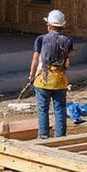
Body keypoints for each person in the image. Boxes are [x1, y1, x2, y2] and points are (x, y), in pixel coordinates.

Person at [29, 9, 74, 139]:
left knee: (43, 110)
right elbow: (67, 62)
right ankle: (60, 137)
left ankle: (43, 137)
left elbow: (36, 59)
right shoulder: (68, 41)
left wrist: (32, 74)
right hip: (60, 80)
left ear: (49, 25)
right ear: (62, 26)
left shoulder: (41, 39)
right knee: (60, 109)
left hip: (44, 79)